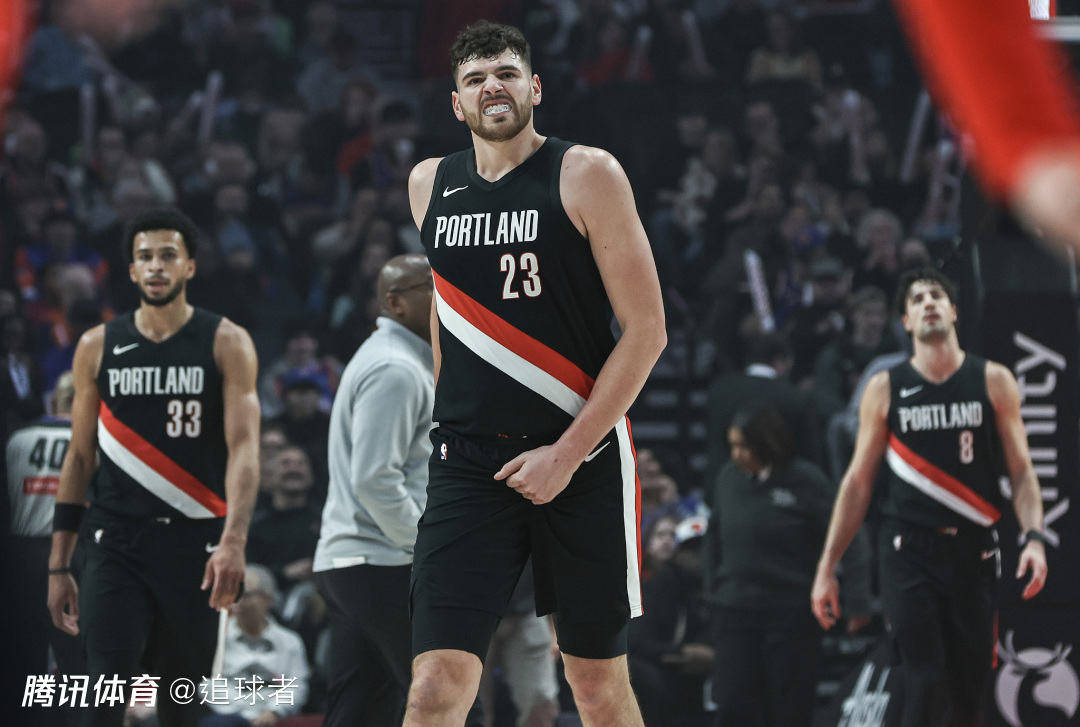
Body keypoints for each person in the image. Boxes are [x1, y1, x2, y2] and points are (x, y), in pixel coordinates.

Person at [404, 21, 666, 727]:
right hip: (467, 465)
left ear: (535, 87)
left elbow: (648, 330)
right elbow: (448, 312)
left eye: (506, 73)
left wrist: (567, 453)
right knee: (433, 685)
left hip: (580, 457)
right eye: (475, 78)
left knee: (595, 685)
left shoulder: (587, 173)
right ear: (456, 102)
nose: (492, 87)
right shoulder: (428, 183)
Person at [46, 207, 261, 727]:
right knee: (104, 694)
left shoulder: (226, 341)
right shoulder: (97, 345)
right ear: (131, 270)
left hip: (196, 543)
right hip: (115, 541)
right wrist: (58, 564)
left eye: (168, 255)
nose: (156, 266)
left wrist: (234, 540)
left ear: (190, 266)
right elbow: (79, 457)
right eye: (145, 256)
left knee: (181, 705)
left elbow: (245, 450)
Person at [811, 267, 1049, 726]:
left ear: (954, 311)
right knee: (924, 680)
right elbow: (858, 483)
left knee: (968, 696)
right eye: (917, 300)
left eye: (936, 296)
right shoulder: (886, 387)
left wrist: (1034, 538)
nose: (928, 304)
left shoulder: (992, 379)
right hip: (908, 551)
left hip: (974, 550)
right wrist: (827, 567)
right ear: (906, 321)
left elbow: (1022, 472)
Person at [313, 254, 478, 727]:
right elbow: (374, 478)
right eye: (433, 287)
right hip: (385, 562)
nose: (448, 295)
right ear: (396, 303)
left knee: (361, 711)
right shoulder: (396, 369)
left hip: (355, 563)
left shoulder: (394, 359)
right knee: (450, 698)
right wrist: (424, 546)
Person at [707, 406, 868, 727]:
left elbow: (850, 535)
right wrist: (712, 589)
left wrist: (857, 600)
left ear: (768, 443)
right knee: (732, 706)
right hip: (735, 612)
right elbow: (713, 539)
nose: (737, 454)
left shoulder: (806, 480)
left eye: (744, 446)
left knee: (788, 711)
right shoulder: (727, 478)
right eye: (732, 445)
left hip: (791, 613)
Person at [2, 372, 83, 727]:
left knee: (22, 657)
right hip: (71, 558)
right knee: (73, 659)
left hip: (19, 557)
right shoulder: (89, 444)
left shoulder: (16, 439)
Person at [200, 564, 310, 727]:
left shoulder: (290, 641)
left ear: (268, 599)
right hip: (231, 717)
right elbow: (207, 684)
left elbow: (297, 686)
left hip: (276, 716)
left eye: (246, 595)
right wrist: (247, 714)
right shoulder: (216, 638)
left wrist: (274, 711)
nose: (238, 602)